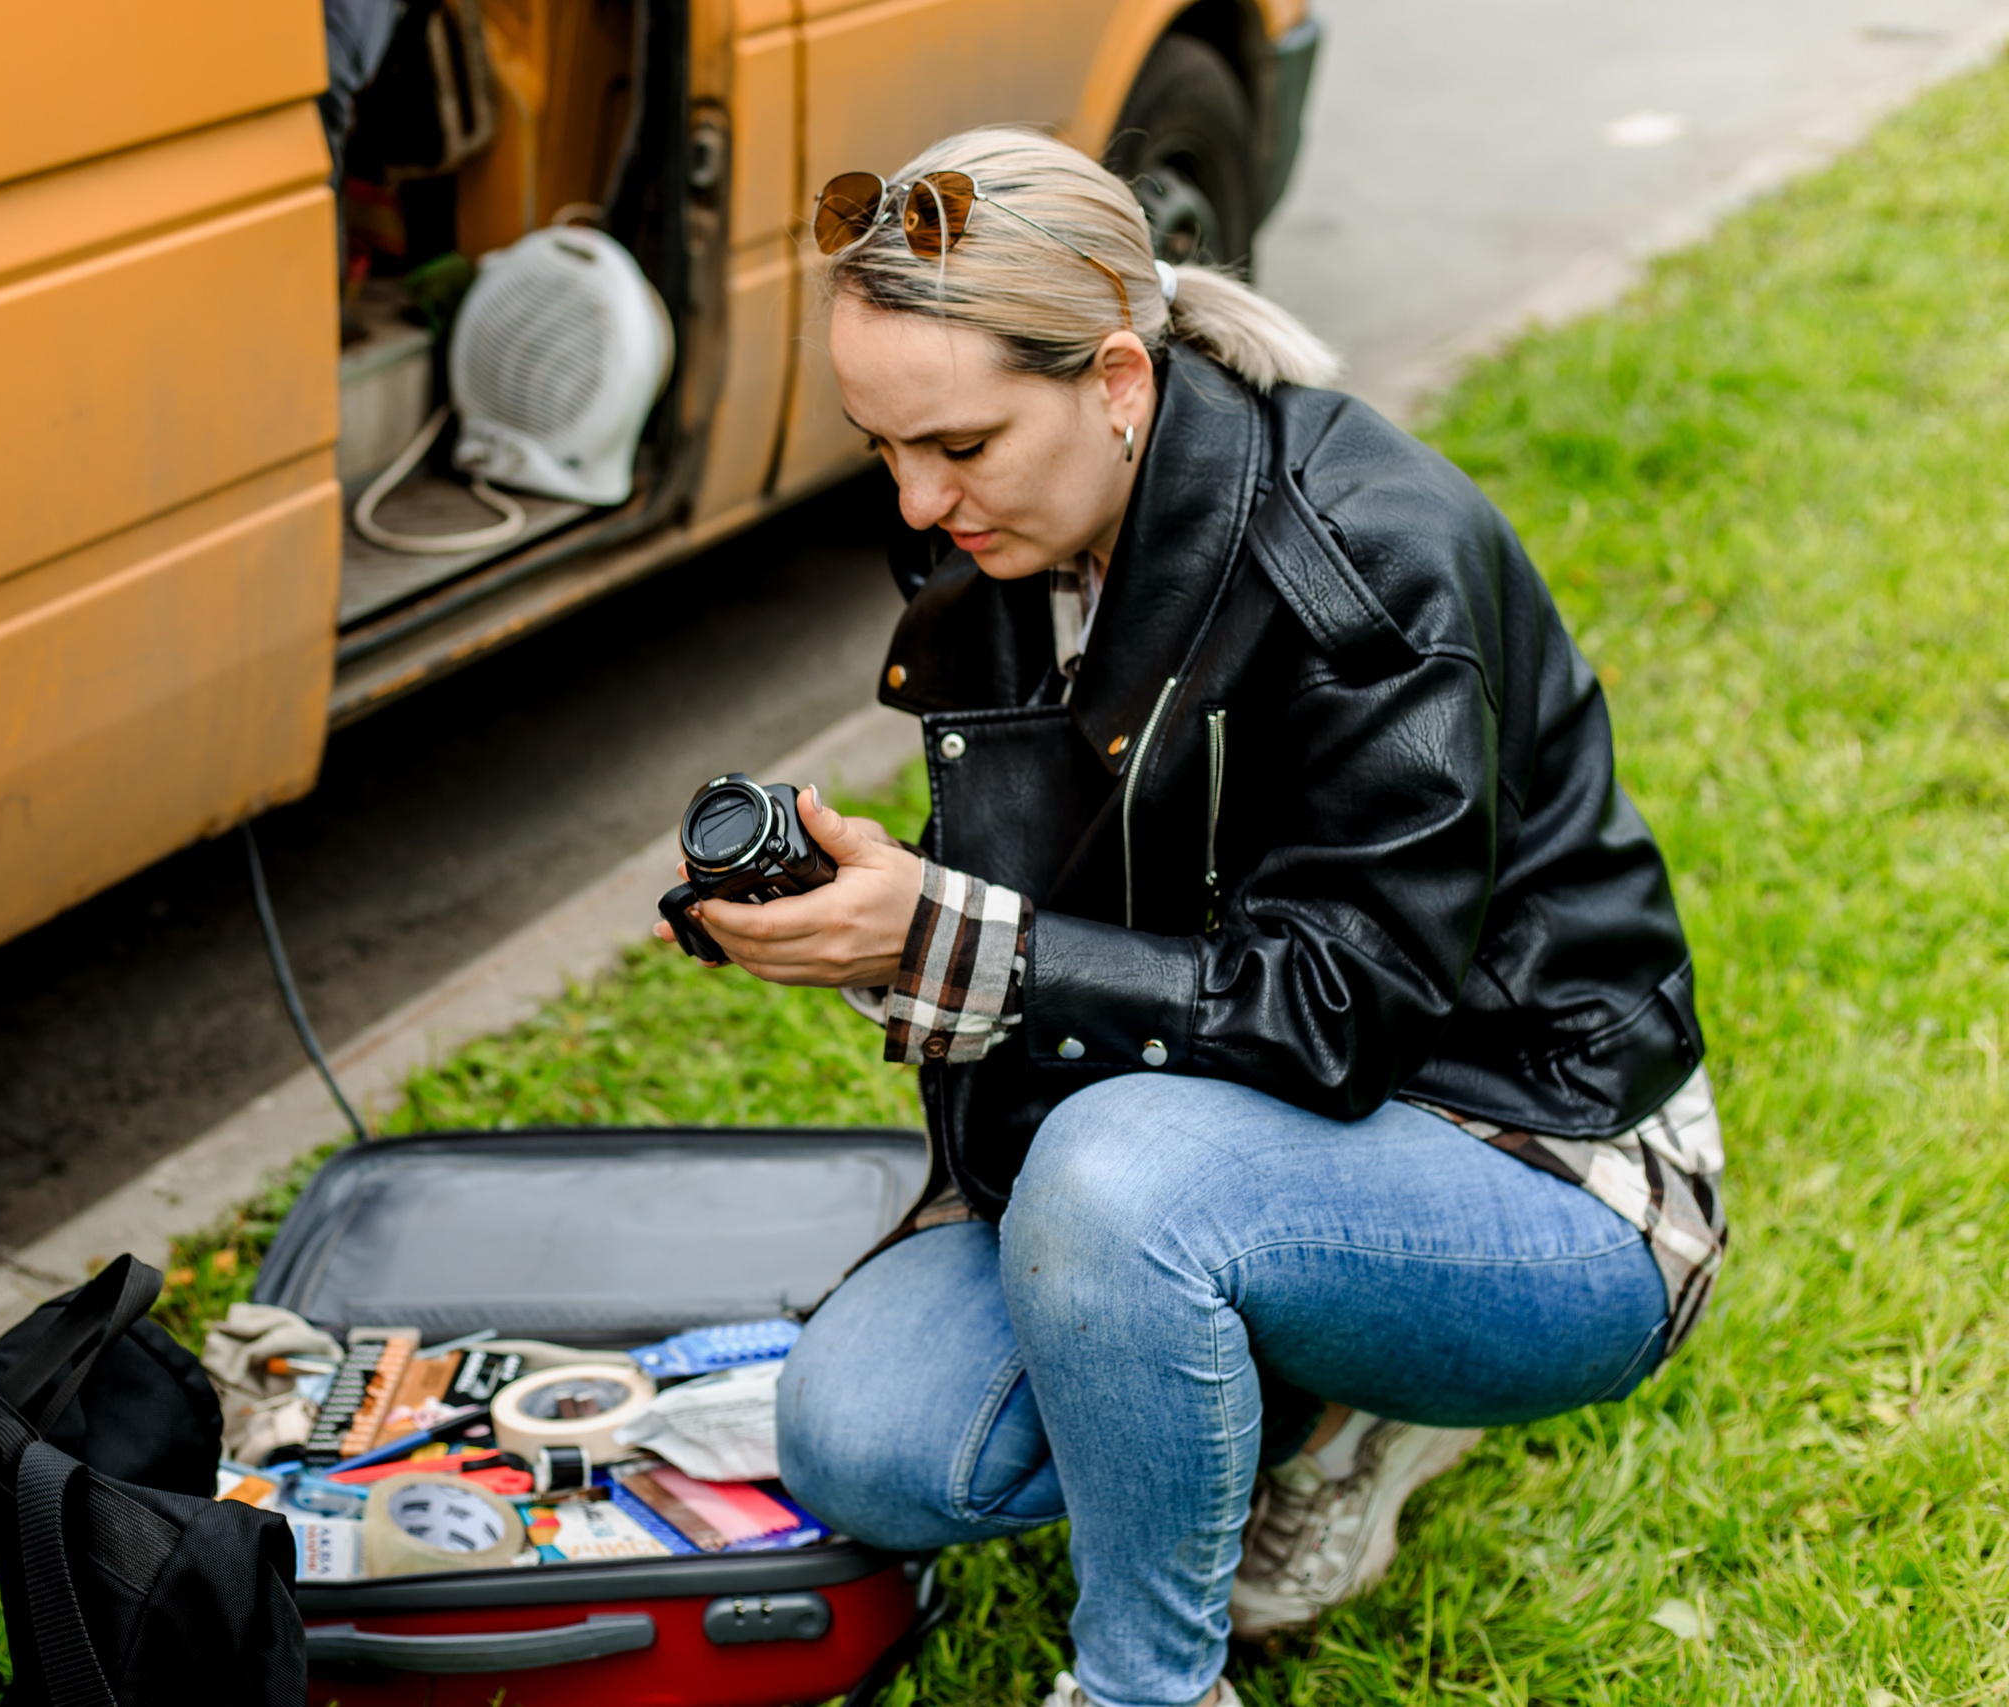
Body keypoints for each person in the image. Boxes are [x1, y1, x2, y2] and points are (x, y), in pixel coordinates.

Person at [653, 128, 1725, 1707]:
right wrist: (872, 933)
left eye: (956, 442)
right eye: (881, 446)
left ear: (1115, 380)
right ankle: (1269, 1373)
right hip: (1223, 1135)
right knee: (868, 1442)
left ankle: (1151, 1682)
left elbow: (1337, 1012)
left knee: (1114, 1181)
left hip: (1539, 1166)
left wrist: (952, 941)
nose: (919, 498)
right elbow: (1084, 954)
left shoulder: (1369, 561)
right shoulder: (1011, 548)